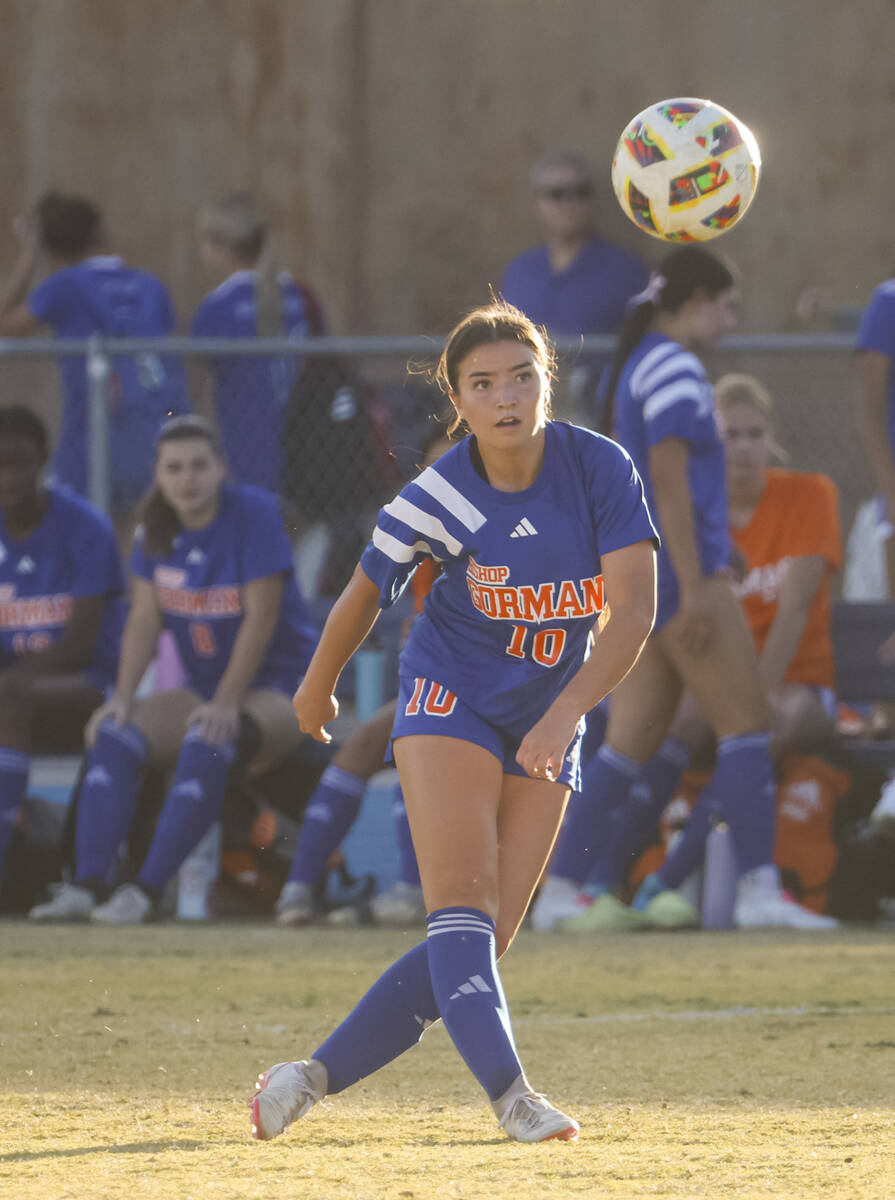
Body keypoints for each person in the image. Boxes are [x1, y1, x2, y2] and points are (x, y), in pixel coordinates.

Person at [250, 300, 658, 1145]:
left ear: (550, 382)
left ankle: (307, 1078)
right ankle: (515, 1100)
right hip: (449, 698)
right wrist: (318, 686)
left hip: (550, 716)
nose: (505, 396)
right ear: (458, 402)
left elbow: (633, 615)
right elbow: (365, 590)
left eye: (521, 376)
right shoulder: (438, 494)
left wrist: (562, 715)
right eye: (483, 383)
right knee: (462, 915)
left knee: (479, 944)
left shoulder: (602, 469)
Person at [548, 246, 837, 935]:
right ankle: (759, 889)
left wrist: (715, 549)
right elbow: (670, 482)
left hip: (645, 578)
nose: (732, 319)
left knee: (628, 746)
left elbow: (656, 483)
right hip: (679, 580)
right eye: (726, 304)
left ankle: (557, 890)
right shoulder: (675, 366)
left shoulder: (640, 361)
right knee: (745, 727)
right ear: (697, 300)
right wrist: (693, 578)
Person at [28, 415, 319, 922]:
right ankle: (86, 886)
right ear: (159, 476)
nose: (188, 478)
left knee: (206, 740)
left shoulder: (255, 515)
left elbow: (262, 617)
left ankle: (141, 893)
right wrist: (120, 697)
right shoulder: (155, 530)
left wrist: (228, 701)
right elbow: (142, 620)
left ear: (221, 469)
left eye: (199, 466)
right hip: (205, 688)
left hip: (283, 686)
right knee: (114, 735)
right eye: (175, 468)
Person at [0, 191, 188, 518]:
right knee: (143, 524)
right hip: (152, 426)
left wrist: (28, 258)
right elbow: (179, 355)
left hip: (88, 429)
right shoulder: (148, 284)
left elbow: (5, 324)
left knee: (79, 520)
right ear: (100, 232)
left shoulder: (65, 286)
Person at [0, 405, 123, 886]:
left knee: (12, 697)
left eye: (19, 463)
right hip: (13, 692)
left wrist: (9, 684)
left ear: (43, 461)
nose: (7, 476)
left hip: (87, 688)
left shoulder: (84, 527)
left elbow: (80, 645)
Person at [191, 192, 326, 493]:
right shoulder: (297, 295)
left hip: (244, 443)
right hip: (305, 440)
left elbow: (194, 385)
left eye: (203, 242)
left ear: (221, 247)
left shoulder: (218, 306)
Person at [500, 150, 649, 418]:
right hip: (522, 406)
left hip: (596, 411)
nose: (569, 203)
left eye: (580, 192)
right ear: (538, 202)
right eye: (556, 194)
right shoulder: (520, 270)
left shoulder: (625, 269)